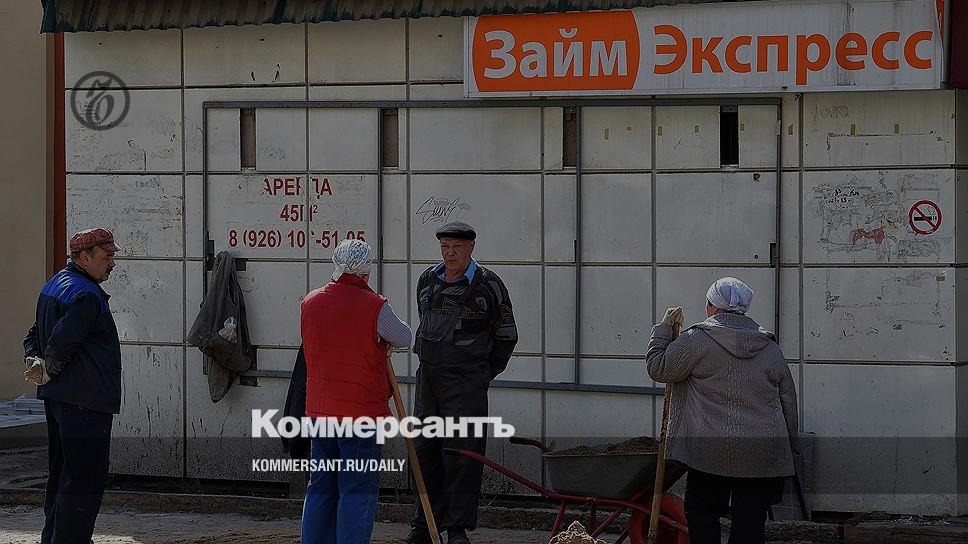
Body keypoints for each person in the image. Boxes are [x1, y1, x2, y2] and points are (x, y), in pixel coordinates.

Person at [646, 277, 799, 544]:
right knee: (750, 523)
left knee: (702, 513)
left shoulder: (696, 340)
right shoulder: (769, 347)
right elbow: (788, 401)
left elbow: (658, 367)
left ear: (713, 307)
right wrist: (788, 445)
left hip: (711, 451)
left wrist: (663, 330)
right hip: (761, 451)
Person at [407, 221, 518, 544]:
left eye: (456, 247)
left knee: (462, 456)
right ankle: (425, 525)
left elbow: (506, 335)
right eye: (445, 246)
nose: (450, 253)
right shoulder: (428, 280)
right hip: (429, 381)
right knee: (425, 452)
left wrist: (484, 373)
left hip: (467, 383)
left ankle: (456, 529)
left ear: (471, 248)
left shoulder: (489, 285)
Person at [300, 239, 412, 544]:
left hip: (320, 413)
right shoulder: (375, 305)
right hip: (361, 414)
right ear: (366, 270)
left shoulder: (310, 302)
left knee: (320, 487)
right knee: (356, 491)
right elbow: (405, 337)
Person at [23, 227, 121, 544]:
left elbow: (33, 335)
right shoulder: (86, 296)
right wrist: (48, 367)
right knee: (84, 479)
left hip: (60, 399)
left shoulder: (55, 284)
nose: (112, 263)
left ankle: (54, 538)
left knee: (63, 474)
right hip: (85, 401)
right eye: (106, 256)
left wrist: (36, 364)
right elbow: (62, 343)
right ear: (84, 257)